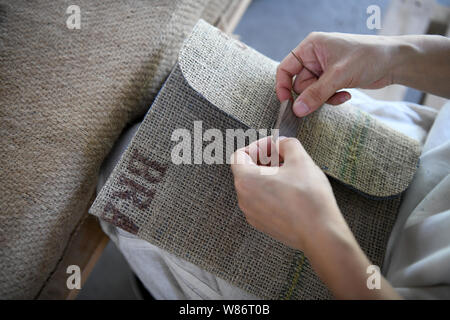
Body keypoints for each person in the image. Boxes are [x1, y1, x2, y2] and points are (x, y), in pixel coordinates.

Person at [230, 32, 450, 299]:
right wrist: (394, 55)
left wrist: (316, 230)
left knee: (165, 256)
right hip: (423, 141)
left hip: (367, 275)